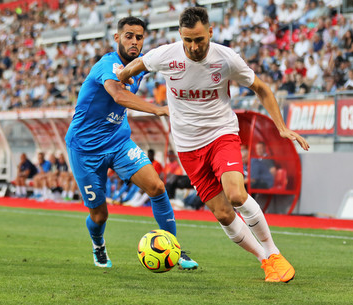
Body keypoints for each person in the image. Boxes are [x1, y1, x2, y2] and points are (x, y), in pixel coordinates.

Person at [117, 7, 309, 283]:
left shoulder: (226, 59)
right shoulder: (165, 56)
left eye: (199, 40)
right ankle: (265, 262)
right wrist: (117, 83)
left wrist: (282, 128)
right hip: (187, 147)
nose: (194, 47)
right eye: (188, 41)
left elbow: (262, 89)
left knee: (236, 195)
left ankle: (274, 252)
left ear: (210, 32)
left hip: (221, 135)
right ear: (180, 37)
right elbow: (127, 73)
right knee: (222, 213)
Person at [65, 16, 198, 270]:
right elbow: (118, 93)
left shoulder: (140, 63)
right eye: (128, 36)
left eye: (139, 36)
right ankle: (98, 245)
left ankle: (174, 249)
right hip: (85, 148)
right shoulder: (107, 65)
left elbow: (170, 61)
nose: (134, 41)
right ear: (117, 38)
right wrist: (158, 110)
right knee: (99, 214)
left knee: (157, 187)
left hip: (117, 140)